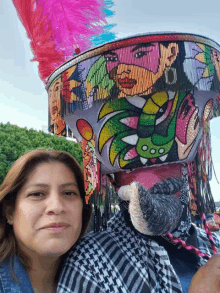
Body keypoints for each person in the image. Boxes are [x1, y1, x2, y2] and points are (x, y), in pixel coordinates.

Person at [48, 33, 220, 293]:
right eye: (131, 174)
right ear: (110, 178)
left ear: (191, 167)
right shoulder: (91, 262)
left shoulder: (212, 243)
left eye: (167, 170)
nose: (153, 183)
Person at [0, 149, 91, 293]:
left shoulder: (103, 275)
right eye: (37, 194)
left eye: (68, 193)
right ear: (10, 211)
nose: (56, 207)